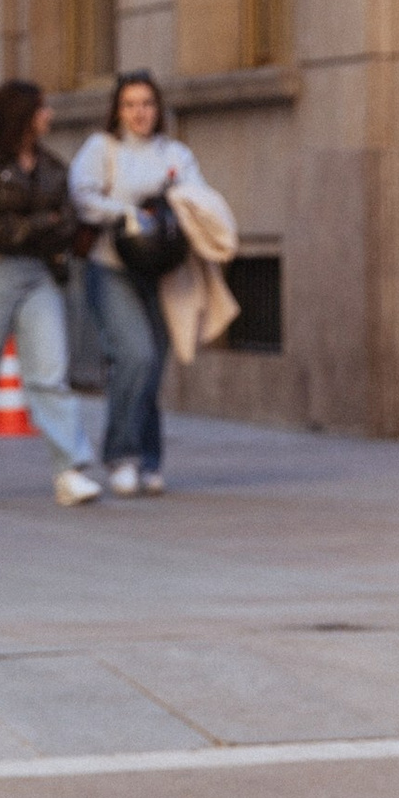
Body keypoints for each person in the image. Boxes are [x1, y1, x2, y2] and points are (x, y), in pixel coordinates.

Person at [71, 73, 238, 491]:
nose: (139, 112)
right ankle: (120, 456)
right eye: (129, 104)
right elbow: (83, 197)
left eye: (146, 103)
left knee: (151, 366)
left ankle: (149, 461)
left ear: (158, 108)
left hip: (164, 272)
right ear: (117, 110)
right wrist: (126, 212)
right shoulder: (102, 149)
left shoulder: (176, 153)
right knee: (136, 356)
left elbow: (196, 198)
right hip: (111, 268)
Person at [0, 80, 103, 509]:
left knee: (50, 374)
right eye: (42, 108)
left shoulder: (52, 166)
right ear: (22, 114)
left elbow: (69, 223)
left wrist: (38, 227)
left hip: (39, 276)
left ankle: (69, 471)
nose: (49, 115)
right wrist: (43, 224)